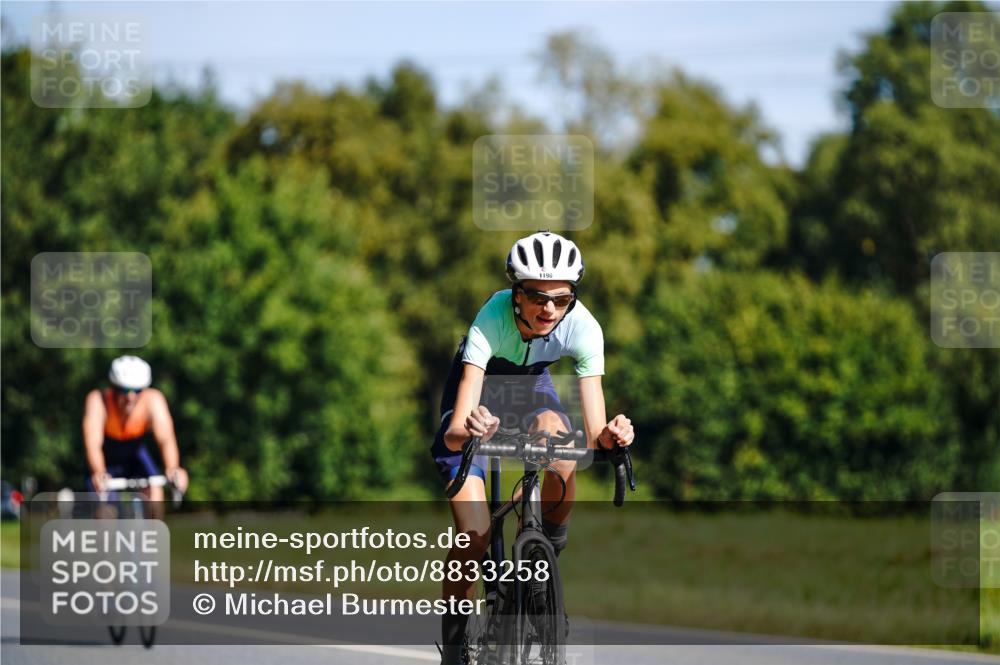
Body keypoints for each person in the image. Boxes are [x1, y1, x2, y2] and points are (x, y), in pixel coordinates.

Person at [430, 231, 634, 664]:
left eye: (561, 299)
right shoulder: (490, 319)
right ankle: (453, 644)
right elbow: (453, 431)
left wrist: (612, 435)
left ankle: (544, 543)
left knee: (560, 443)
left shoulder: (584, 326)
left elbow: (594, 431)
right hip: (478, 402)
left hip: (530, 392)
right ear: (515, 293)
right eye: (536, 296)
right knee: (474, 535)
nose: (548, 309)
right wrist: (470, 425)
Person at [82, 356, 188, 506]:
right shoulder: (97, 400)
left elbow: (166, 438)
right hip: (106, 458)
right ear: (113, 388)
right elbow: (93, 443)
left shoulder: (154, 400)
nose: (130, 397)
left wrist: (173, 468)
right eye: (124, 390)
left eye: (137, 390)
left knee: (155, 497)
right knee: (105, 510)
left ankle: (152, 528)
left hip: (135, 455)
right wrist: (99, 471)